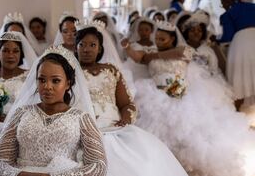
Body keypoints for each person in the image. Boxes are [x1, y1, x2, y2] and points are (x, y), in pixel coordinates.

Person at [122, 21, 255, 176]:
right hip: (156, 94)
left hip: (181, 94)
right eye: (157, 38)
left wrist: (153, 56)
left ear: (172, 39)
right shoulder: (149, 52)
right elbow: (138, 57)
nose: (158, 41)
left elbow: (179, 54)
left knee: (187, 131)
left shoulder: (184, 50)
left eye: (162, 39)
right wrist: (127, 47)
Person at [75, 22, 187, 176]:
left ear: (100, 48)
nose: (87, 49)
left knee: (144, 162)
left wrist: (126, 119)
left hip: (115, 127)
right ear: (76, 47)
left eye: (92, 45)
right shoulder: (69, 72)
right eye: (82, 44)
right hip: (83, 128)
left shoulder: (111, 70)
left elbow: (126, 103)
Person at [0, 45, 107, 176]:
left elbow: (98, 166)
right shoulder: (21, 113)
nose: (47, 87)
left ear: (68, 83)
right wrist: (21, 174)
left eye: (55, 81)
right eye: (42, 80)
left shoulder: (81, 118)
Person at [216, 0, 255, 111]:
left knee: (240, 80)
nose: (223, 6)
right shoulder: (253, 7)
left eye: (222, 3)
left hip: (241, 46)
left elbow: (227, 37)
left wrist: (215, 39)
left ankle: (236, 111)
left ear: (227, 1)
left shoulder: (227, 15)